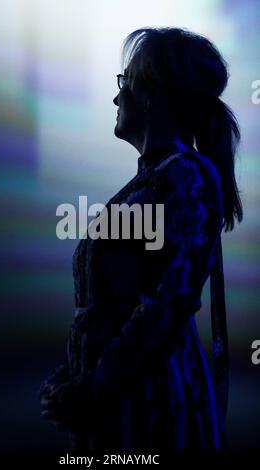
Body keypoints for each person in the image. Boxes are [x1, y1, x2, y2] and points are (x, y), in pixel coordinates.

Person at [39, 27, 243, 451]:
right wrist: (69, 378)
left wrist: (93, 386)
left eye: (124, 83)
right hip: (123, 403)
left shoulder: (186, 175)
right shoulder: (156, 180)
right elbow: (110, 309)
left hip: (156, 409)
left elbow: (166, 306)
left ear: (150, 94)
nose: (117, 98)